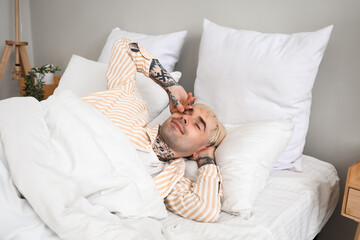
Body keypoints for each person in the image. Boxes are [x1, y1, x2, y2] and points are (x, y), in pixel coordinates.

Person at [82, 38, 226, 223]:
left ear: (197, 150)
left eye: (197, 125)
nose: (185, 117)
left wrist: (206, 159)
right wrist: (171, 86)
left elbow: (206, 211)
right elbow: (125, 46)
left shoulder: (168, 180)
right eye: (187, 111)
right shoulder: (130, 103)